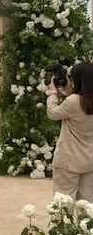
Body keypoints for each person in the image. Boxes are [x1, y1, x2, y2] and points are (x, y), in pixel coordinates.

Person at [46, 62, 93, 202]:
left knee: (64, 201)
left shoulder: (73, 101)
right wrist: (69, 91)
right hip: (89, 159)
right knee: (87, 202)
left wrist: (53, 92)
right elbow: (80, 105)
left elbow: (52, 113)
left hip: (68, 160)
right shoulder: (85, 100)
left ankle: (64, 225)